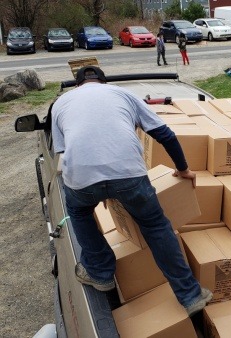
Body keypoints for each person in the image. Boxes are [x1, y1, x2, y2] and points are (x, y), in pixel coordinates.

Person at [51, 65, 212, 316]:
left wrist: (99, 187)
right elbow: (165, 135)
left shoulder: (61, 103)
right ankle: (191, 296)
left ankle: (100, 272)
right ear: (104, 82)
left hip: (83, 180)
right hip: (129, 177)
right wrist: (183, 169)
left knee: (78, 211)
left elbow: (65, 151)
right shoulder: (123, 94)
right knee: (156, 226)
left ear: (78, 85)